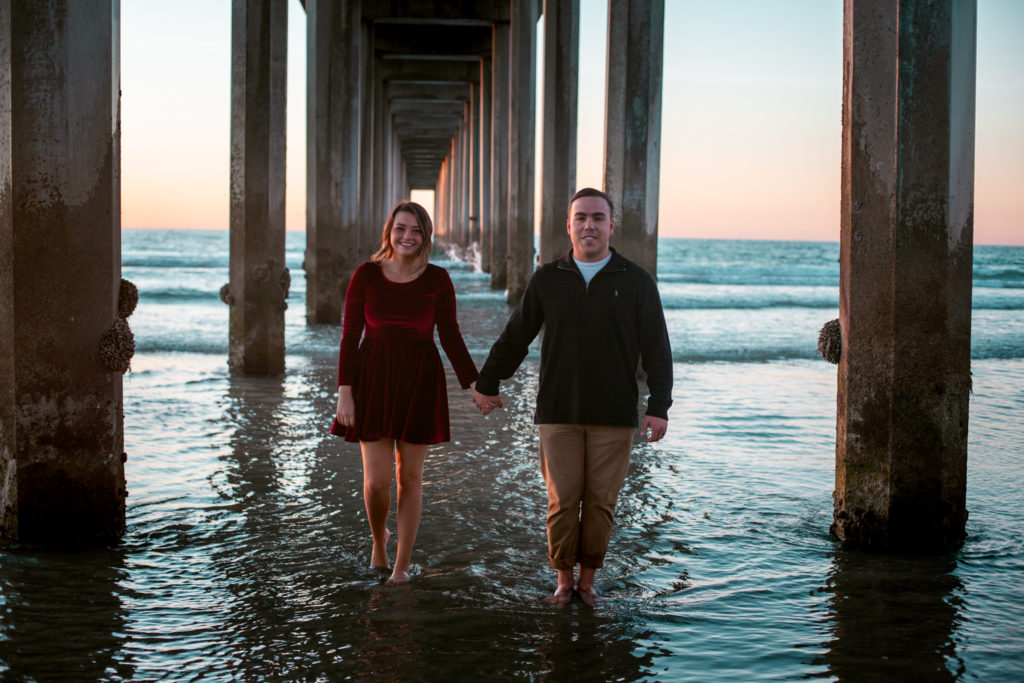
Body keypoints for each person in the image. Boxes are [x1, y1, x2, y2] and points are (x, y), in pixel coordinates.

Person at [473, 187, 672, 606]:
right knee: (563, 503)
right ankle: (563, 581)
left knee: (600, 505)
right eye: (581, 217)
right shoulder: (548, 278)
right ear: (568, 225)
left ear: (611, 225)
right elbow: (517, 335)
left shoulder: (635, 281)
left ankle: (587, 583)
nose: (589, 225)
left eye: (598, 218)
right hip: (558, 410)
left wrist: (658, 407)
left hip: (615, 413)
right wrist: (488, 383)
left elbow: (657, 347)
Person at [332, 201, 479, 586]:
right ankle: (379, 540)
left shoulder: (438, 279)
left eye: (415, 230)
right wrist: (344, 391)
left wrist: (476, 383)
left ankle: (401, 566)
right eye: (400, 228)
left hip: (420, 379)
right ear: (389, 231)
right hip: (373, 378)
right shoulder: (365, 275)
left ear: (425, 235)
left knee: (410, 479)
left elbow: (450, 335)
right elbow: (349, 337)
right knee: (376, 482)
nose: (407, 236)